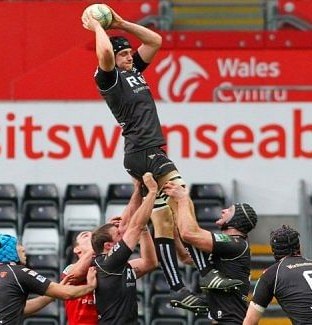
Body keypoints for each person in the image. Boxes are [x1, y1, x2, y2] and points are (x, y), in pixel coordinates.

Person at [81, 6, 235, 311]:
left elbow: (154, 41)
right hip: (144, 151)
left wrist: (121, 24)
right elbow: (107, 58)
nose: (129, 57)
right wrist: (98, 28)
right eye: (124, 54)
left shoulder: (133, 72)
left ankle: (177, 288)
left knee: (163, 219)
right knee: (182, 198)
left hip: (144, 152)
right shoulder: (109, 77)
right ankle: (206, 272)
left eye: (128, 55)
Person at [164, 181, 257, 324]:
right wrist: (173, 227)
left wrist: (183, 199)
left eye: (229, 210)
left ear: (236, 220)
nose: (223, 210)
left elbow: (189, 233)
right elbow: (186, 256)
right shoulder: (229, 246)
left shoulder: (235, 243)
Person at [0, 233, 97, 324]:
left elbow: (22, 309)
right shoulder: (18, 272)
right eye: (18, 245)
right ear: (10, 250)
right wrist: (90, 286)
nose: (23, 249)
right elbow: (66, 294)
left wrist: (52, 295)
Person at [91, 172, 158, 324]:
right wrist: (152, 191)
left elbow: (150, 263)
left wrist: (138, 189)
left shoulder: (116, 266)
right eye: (118, 235)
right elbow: (134, 226)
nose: (123, 235)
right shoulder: (108, 263)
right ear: (108, 246)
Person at [62, 230, 98, 325]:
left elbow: (142, 266)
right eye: (86, 236)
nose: (92, 237)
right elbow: (77, 274)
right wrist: (95, 245)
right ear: (76, 249)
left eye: (94, 236)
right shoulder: (69, 269)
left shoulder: (106, 267)